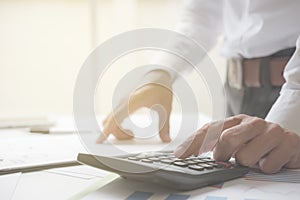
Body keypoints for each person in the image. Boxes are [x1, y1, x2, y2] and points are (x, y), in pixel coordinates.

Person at [98, 0, 300, 173]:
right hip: (237, 94)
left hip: (292, 95)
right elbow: (202, 14)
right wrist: (160, 74)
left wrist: (291, 111)